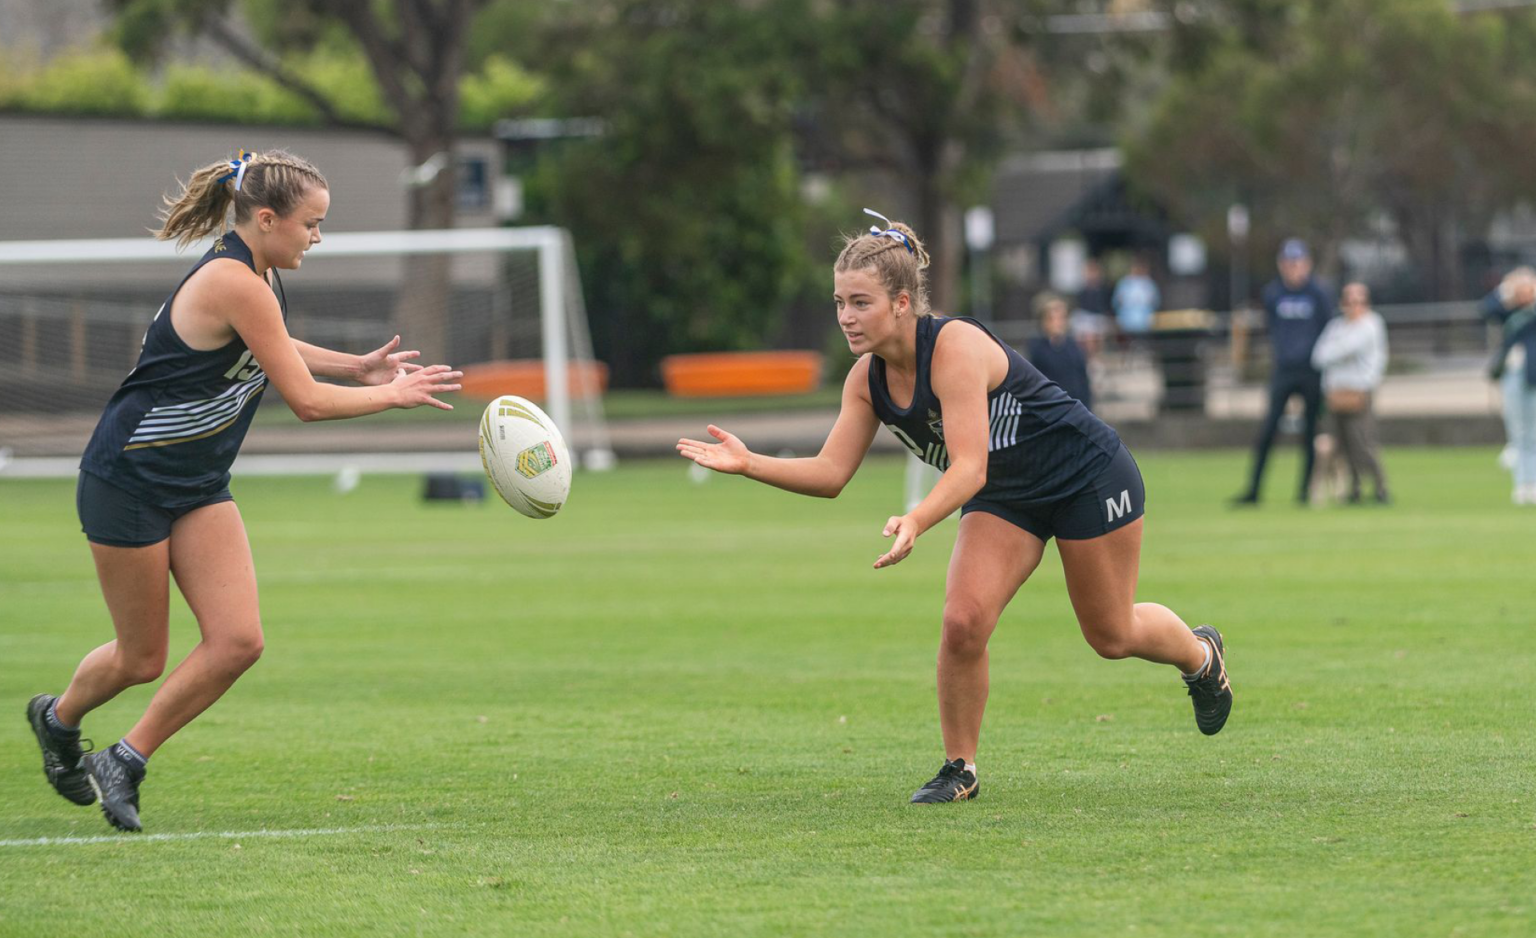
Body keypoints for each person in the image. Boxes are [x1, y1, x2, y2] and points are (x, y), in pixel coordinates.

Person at [676, 211, 1232, 805]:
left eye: (860, 302)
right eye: (839, 302)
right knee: (962, 623)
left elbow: (970, 465)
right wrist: (749, 461)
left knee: (1111, 634)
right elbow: (831, 473)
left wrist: (917, 519)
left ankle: (1202, 658)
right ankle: (959, 768)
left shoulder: (955, 347)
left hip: (1086, 476)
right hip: (1006, 497)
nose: (845, 317)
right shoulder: (866, 380)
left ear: (902, 302)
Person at [25, 150, 463, 832]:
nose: (317, 237)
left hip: (198, 485)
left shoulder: (257, 274)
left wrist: (361, 364)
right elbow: (307, 402)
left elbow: (274, 343)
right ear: (266, 219)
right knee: (141, 657)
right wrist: (393, 395)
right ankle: (58, 721)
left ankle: (125, 760)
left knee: (237, 642)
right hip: (128, 480)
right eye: (311, 224)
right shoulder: (233, 280)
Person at [1232, 238, 1334, 505]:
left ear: (1307, 264)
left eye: (1298, 262)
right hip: (1284, 370)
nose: (1293, 268)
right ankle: (1253, 490)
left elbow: (1328, 330)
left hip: (1312, 371)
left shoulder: (1319, 294)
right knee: (1268, 430)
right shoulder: (1273, 294)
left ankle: (1304, 492)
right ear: (1281, 265)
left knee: (1310, 432)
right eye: (1288, 263)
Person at [1311, 282, 1390, 504]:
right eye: (1350, 301)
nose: (1355, 306)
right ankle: (1353, 489)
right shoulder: (1336, 326)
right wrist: (1339, 353)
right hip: (1335, 395)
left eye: (1360, 301)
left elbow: (1349, 348)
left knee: (1363, 443)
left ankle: (1381, 487)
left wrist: (1337, 352)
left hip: (1359, 393)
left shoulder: (1371, 324)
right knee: (1341, 445)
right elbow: (1319, 357)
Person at [1484, 266, 1536, 504]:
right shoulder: (1509, 312)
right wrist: (1507, 287)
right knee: (1518, 434)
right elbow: (1486, 308)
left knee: (1534, 433)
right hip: (1512, 375)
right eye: (1521, 290)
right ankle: (1522, 483)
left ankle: (1533, 482)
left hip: (1533, 377)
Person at [1026, 292, 1094, 411]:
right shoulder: (1037, 347)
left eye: (1062, 318)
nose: (1058, 323)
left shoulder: (1073, 346)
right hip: (1050, 409)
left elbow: (1083, 380)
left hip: (1074, 407)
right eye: (1052, 318)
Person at [1111, 257, 1159, 339]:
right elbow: (1116, 302)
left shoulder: (1148, 284)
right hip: (1126, 319)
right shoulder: (1124, 283)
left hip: (1145, 320)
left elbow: (1155, 302)